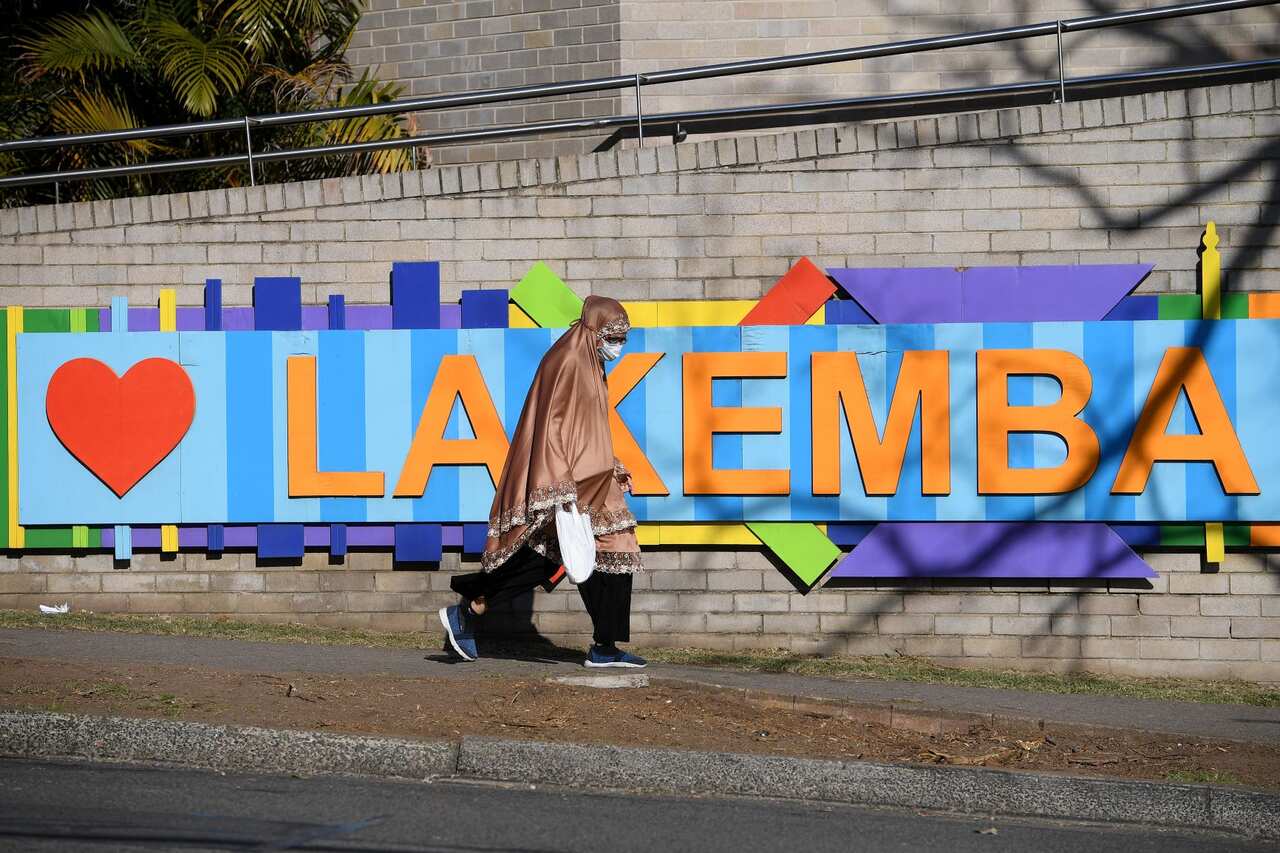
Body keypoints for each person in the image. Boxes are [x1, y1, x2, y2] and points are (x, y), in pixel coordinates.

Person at [439, 295, 646, 668]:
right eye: (613, 337)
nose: (618, 346)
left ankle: (603, 645)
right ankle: (472, 608)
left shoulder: (592, 364)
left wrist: (612, 465)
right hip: (570, 482)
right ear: (594, 331)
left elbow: (587, 431)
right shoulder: (566, 360)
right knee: (551, 556)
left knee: (596, 552)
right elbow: (549, 426)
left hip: (594, 480)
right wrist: (560, 482)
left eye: (622, 339)